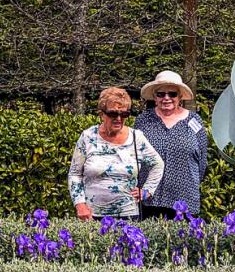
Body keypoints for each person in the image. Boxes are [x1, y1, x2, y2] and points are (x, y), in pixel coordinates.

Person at [68, 87, 164, 220]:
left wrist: (147, 190)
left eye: (124, 114)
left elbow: (158, 164)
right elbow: (75, 174)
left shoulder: (137, 138)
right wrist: (80, 205)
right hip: (91, 215)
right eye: (113, 114)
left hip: (128, 214)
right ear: (101, 114)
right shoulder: (88, 137)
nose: (118, 118)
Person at [134, 70, 208, 219]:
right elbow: (135, 156)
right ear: (154, 97)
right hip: (149, 199)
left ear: (180, 97)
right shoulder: (143, 121)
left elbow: (202, 161)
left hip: (184, 199)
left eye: (172, 94)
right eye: (161, 94)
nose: (166, 98)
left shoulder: (195, 121)